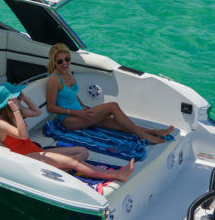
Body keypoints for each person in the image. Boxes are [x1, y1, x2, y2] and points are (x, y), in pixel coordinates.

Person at [0, 82, 134, 183]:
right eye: (16, 97)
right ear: (8, 102)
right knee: (74, 161)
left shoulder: (18, 112)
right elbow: (23, 135)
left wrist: (24, 98)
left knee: (83, 151)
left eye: (18, 96)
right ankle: (117, 174)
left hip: (36, 151)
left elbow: (37, 112)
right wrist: (16, 110)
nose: (18, 99)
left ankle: (61, 168)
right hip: (27, 157)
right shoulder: (2, 123)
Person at [45, 43, 173, 145]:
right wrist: (75, 112)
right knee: (112, 106)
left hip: (81, 113)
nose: (64, 63)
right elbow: (51, 107)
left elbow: (72, 93)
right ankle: (144, 136)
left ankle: (154, 132)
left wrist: (82, 105)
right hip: (69, 120)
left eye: (67, 59)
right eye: (60, 61)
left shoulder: (68, 72)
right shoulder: (54, 80)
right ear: (54, 62)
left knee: (118, 124)